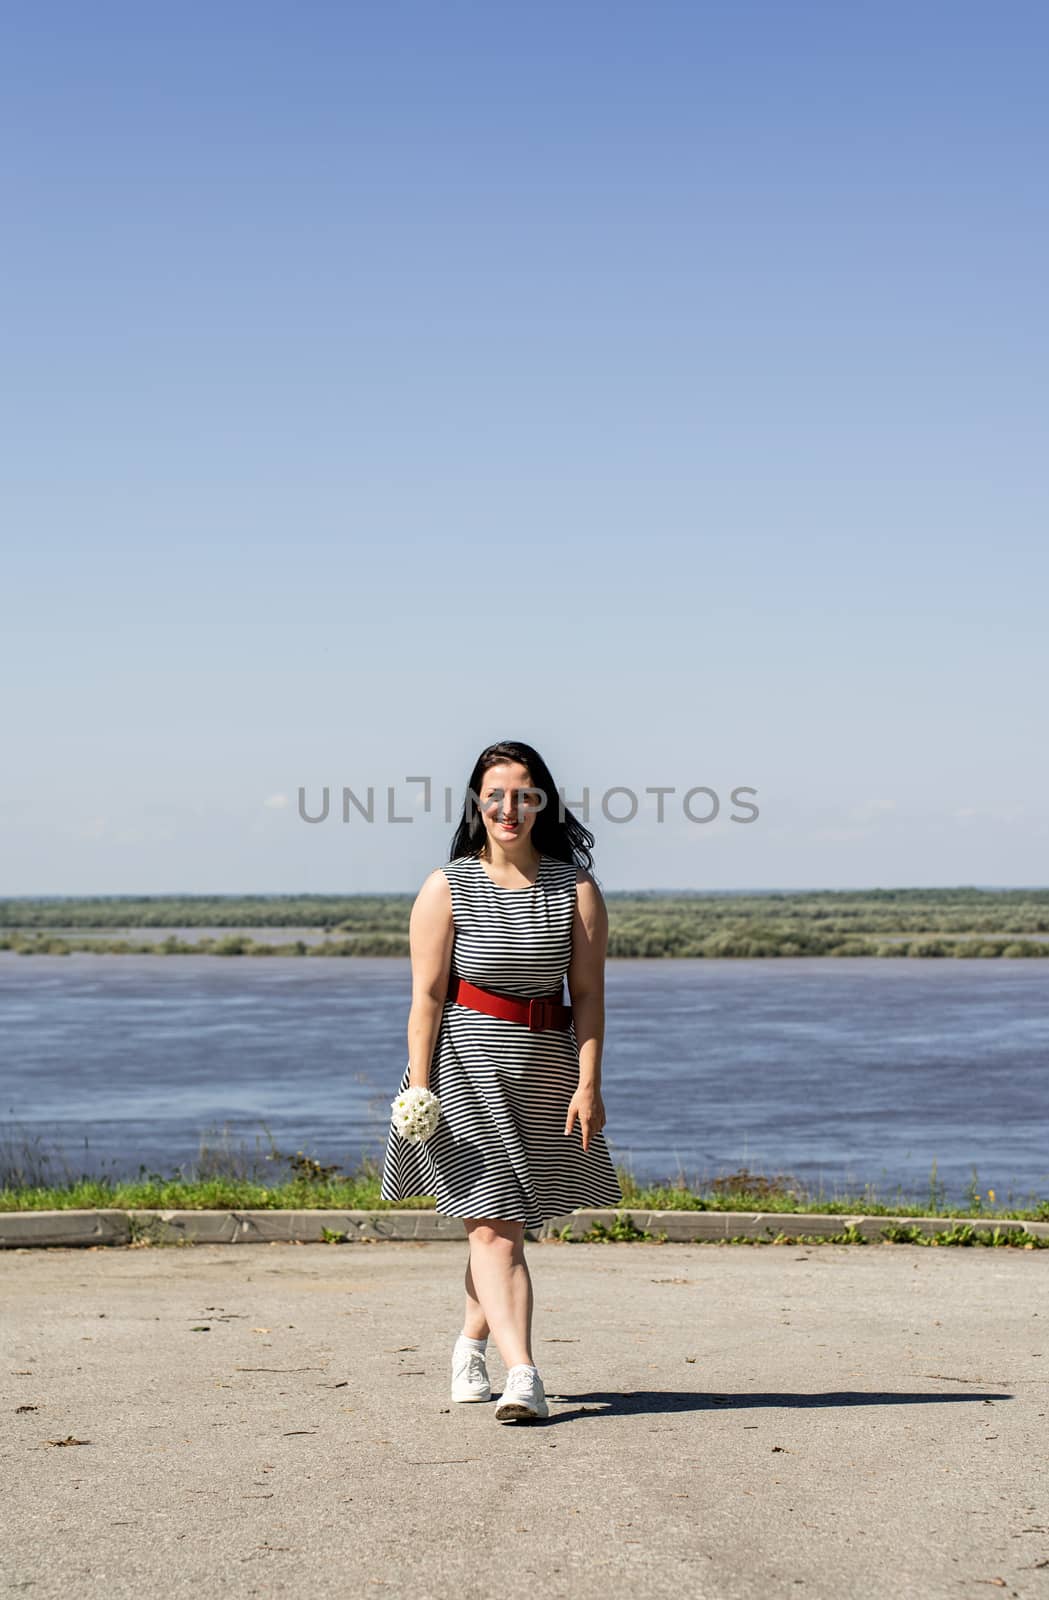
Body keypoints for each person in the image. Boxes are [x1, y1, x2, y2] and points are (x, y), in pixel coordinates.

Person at [379, 738, 623, 1422]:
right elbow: (426, 999)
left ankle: (467, 1347)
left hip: (544, 1071)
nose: (507, 808)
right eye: (494, 796)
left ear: (541, 802)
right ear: (476, 804)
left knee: (501, 1227)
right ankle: (524, 1376)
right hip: (461, 1069)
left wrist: (588, 1083)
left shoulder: (575, 889)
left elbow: (591, 998)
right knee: (495, 1232)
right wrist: (418, 1087)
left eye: (522, 794)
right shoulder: (445, 886)